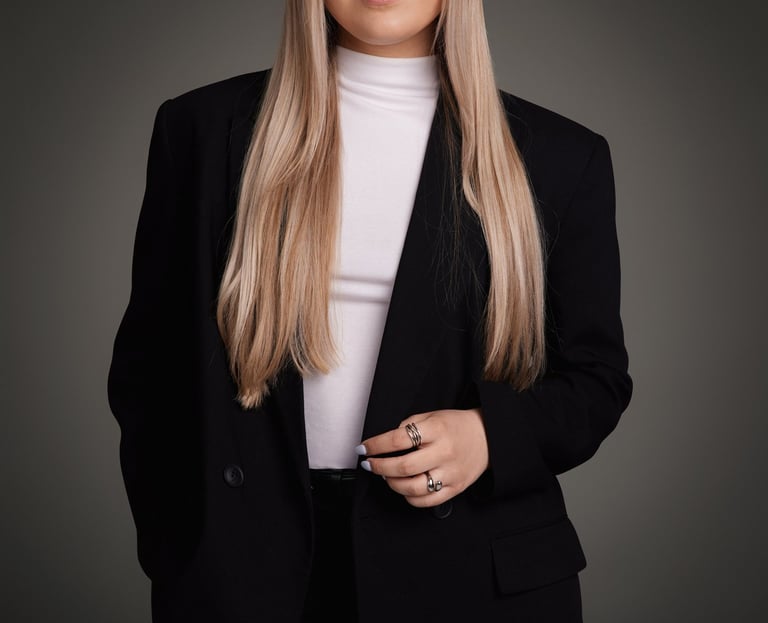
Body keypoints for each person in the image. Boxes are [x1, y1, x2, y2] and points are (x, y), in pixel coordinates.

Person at [107, 1, 632, 621]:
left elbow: (595, 381)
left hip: (471, 577)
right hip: (243, 573)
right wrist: (180, 551)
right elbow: (150, 371)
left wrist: (490, 435)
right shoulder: (200, 129)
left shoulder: (561, 156)